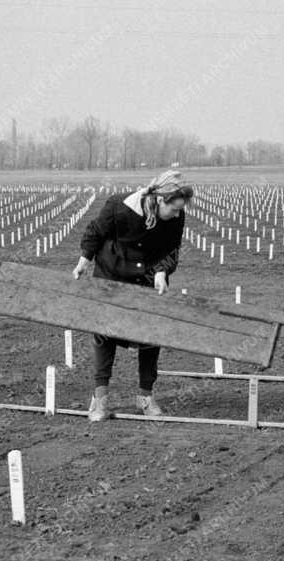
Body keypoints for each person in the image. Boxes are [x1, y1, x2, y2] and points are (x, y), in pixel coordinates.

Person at [72, 170, 193, 422]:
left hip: (148, 278)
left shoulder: (176, 217)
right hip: (112, 274)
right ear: (160, 200)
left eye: (180, 210)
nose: (178, 214)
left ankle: (145, 397)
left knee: (151, 334)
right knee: (106, 333)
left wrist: (162, 271)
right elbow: (95, 231)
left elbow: (172, 249)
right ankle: (100, 398)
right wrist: (84, 260)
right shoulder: (120, 206)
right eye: (174, 209)